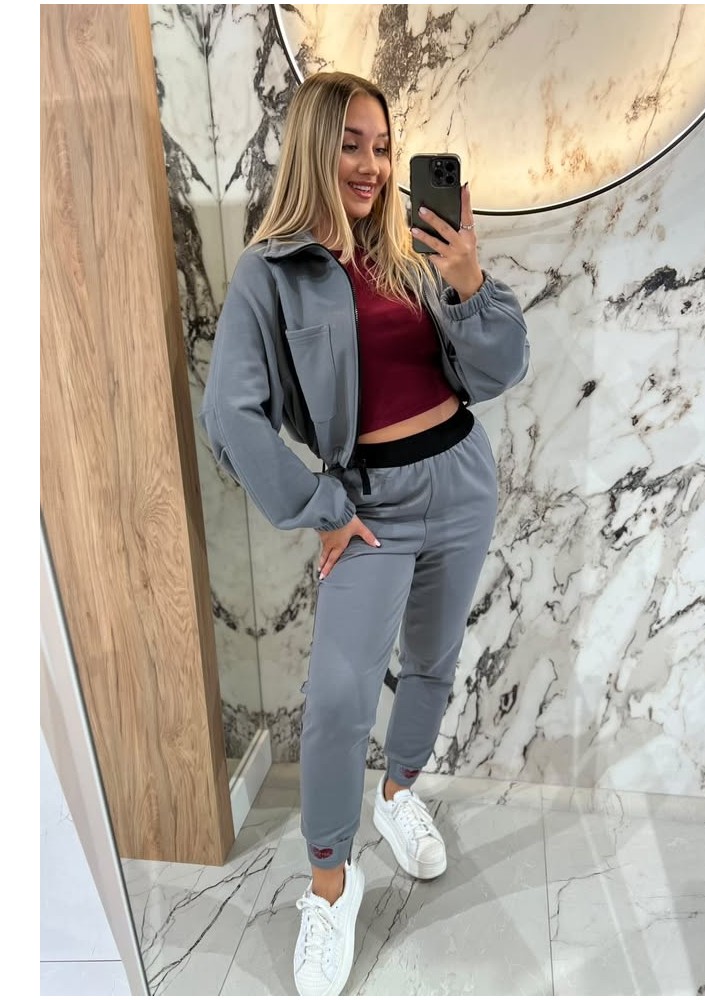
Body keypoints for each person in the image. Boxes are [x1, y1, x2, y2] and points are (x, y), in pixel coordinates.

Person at [200, 70, 530, 996]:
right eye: (352, 144)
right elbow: (231, 414)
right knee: (339, 699)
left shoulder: (415, 251)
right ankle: (330, 886)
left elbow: (501, 369)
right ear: (314, 147)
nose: (373, 166)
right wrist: (321, 507)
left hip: (462, 477)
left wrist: (468, 282)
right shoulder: (271, 273)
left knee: (433, 660)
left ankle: (400, 793)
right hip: (369, 507)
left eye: (383, 147)